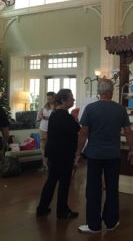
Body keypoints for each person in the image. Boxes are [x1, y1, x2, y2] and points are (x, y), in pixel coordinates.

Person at [74, 79, 133, 234]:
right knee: (112, 188)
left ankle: (93, 225)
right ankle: (111, 221)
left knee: (93, 189)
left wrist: (78, 153)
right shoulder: (120, 109)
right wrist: (132, 150)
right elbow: (128, 131)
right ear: (111, 92)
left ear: (99, 93)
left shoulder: (90, 108)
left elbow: (83, 133)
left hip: (94, 154)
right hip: (114, 155)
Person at [36, 89, 80, 219]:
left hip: (54, 152)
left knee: (51, 180)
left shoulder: (55, 114)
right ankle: (62, 211)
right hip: (63, 154)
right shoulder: (65, 116)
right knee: (64, 182)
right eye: (71, 98)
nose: (73, 100)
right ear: (63, 100)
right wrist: (76, 120)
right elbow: (75, 131)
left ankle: (42, 208)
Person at [37, 91, 55, 169]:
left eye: (50, 99)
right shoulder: (44, 105)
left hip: (53, 128)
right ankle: (44, 164)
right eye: (47, 99)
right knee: (43, 145)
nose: (49, 100)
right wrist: (43, 117)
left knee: (52, 145)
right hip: (43, 127)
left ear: (54, 98)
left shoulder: (57, 106)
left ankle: (52, 163)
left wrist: (50, 118)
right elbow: (39, 114)